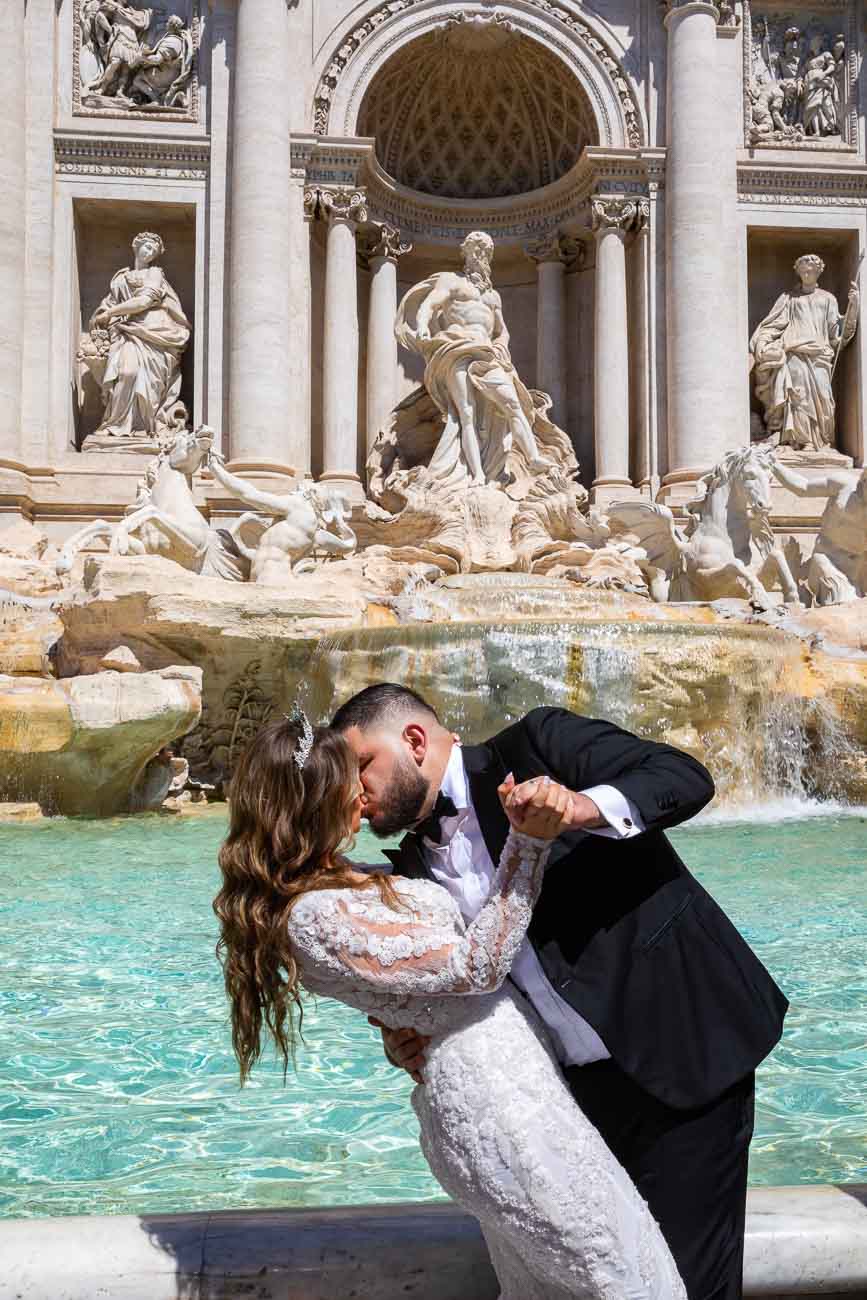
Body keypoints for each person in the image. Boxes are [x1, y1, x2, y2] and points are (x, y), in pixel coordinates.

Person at [330, 685, 790, 1299]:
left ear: (413, 741)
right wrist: (402, 1035)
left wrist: (578, 809)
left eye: (363, 765)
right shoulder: (411, 866)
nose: (357, 793)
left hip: (680, 1050)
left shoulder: (538, 742)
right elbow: (445, 977)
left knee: (685, 1286)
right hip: (563, 1102)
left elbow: (683, 775)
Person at [215, 714, 687, 1298]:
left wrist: (401, 1021)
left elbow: (415, 978)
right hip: (495, 1106)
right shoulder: (312, 915)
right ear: (310, 802)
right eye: (350, 781)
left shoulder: (349, 880)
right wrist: (529, 843)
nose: (363, 797)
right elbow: (472, 966)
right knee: (627, 1282)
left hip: (524, 1088)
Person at [750, 253, 859, 452]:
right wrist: (763, 342)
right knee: (797, 396)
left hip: (820, 355)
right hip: (795, 353)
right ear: (798, 272)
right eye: (804, 270)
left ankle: (822, 442)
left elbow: (838, 336)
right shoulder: (789, 298)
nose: (808, 273)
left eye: (811, 270)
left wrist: (853, 308)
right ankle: (801, 442)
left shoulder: (828, 299)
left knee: (824, 398)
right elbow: (773, 324)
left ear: (819, 272)